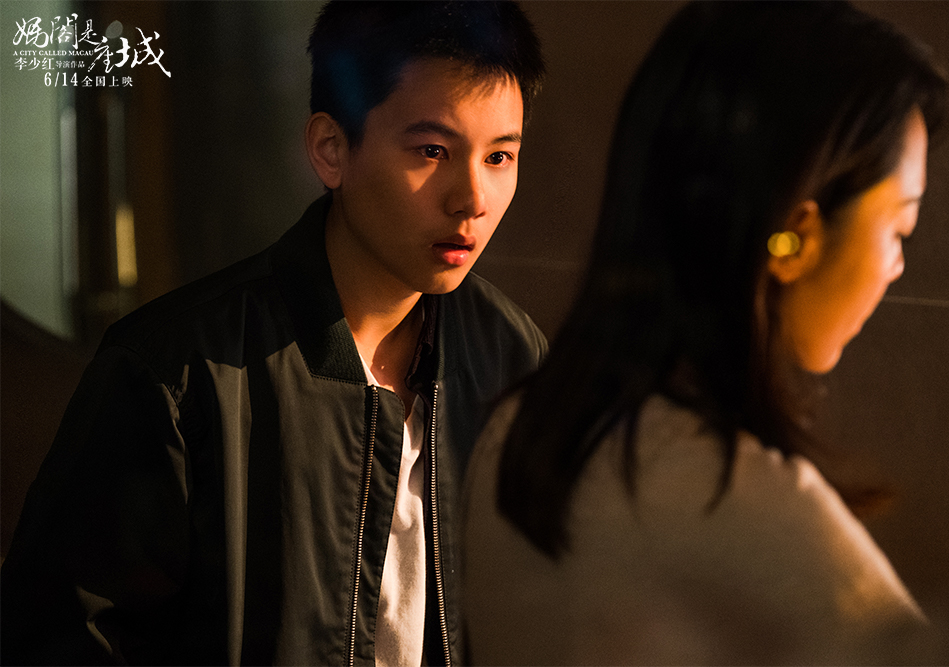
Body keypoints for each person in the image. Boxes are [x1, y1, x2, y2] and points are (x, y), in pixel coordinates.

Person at [0, 2, 545, 665]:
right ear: (331, 149)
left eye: (499, 156)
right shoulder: (175, 374)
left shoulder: (512, 356)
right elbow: (61, 636)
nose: (473, 198)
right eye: (432, 151)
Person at [463, 2, 949, 664]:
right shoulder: (739, 500)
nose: (897, 265)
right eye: (899, 227)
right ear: (799, 235)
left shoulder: (515, 436)